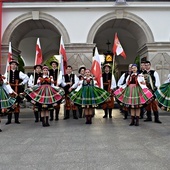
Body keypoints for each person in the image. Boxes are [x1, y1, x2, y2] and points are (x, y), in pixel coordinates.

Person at [4, 60, 29, 125]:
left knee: (16, 104)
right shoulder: (7, 73)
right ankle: (9, 120)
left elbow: (26, 78)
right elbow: (4, 80)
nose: (13, 65)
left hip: (17, 89)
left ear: (16, 66)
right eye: (12, 64)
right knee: (9, 104)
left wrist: (21, 83)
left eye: (15, 64)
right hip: (9, 90)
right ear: (10, 65)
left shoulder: (19, 72)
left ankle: (16, 119)